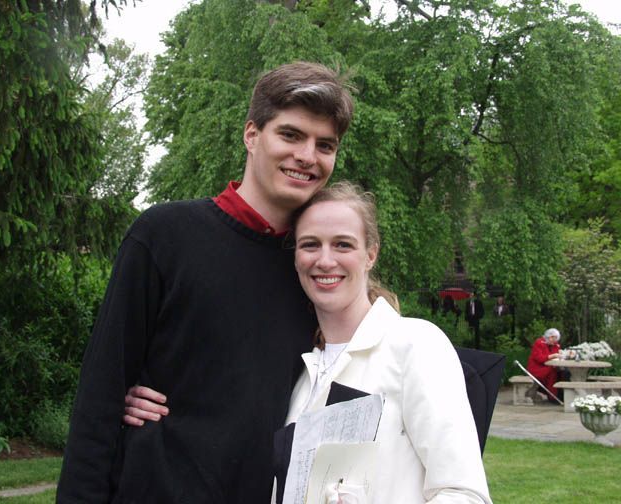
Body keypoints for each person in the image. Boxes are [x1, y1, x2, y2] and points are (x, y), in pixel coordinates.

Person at [56, 62, 354, 503]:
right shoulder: (164, 235)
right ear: (251, 135)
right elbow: (100, 398)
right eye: (291, 135)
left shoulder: (318, 269)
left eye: (324, 145)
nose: (308, 156)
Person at [128, 183, 492, 503]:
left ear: (371, 254)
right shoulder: (301, 374)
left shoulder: (415, 346)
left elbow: (464, 494)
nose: (325, 260)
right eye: (310, 245)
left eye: (343, 244)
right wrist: (148, 399)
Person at [527, 328, 563, 401]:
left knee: (562, 372)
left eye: (556, 338)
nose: (554, 340)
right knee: (553, 372)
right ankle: (553, 396)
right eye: (553, 338)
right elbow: (539, 358)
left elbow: (557, 355)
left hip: (548, 366)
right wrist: (553, 356)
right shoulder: (539, 342)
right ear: (548, 336)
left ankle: (560, 395)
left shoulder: (555, 345)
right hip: (537, 368)